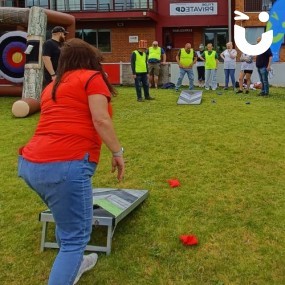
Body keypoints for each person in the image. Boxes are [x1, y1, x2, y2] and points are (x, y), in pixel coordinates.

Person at [18, 38, 125, 285]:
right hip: (65, 165)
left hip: (30, 164)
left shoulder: (52, 85)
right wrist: (117, 152)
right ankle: (71, 262)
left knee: (64, 217)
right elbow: (101, 120)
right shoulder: (91, 78)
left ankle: (74, 265)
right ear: (90, 59)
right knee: (76, 238)